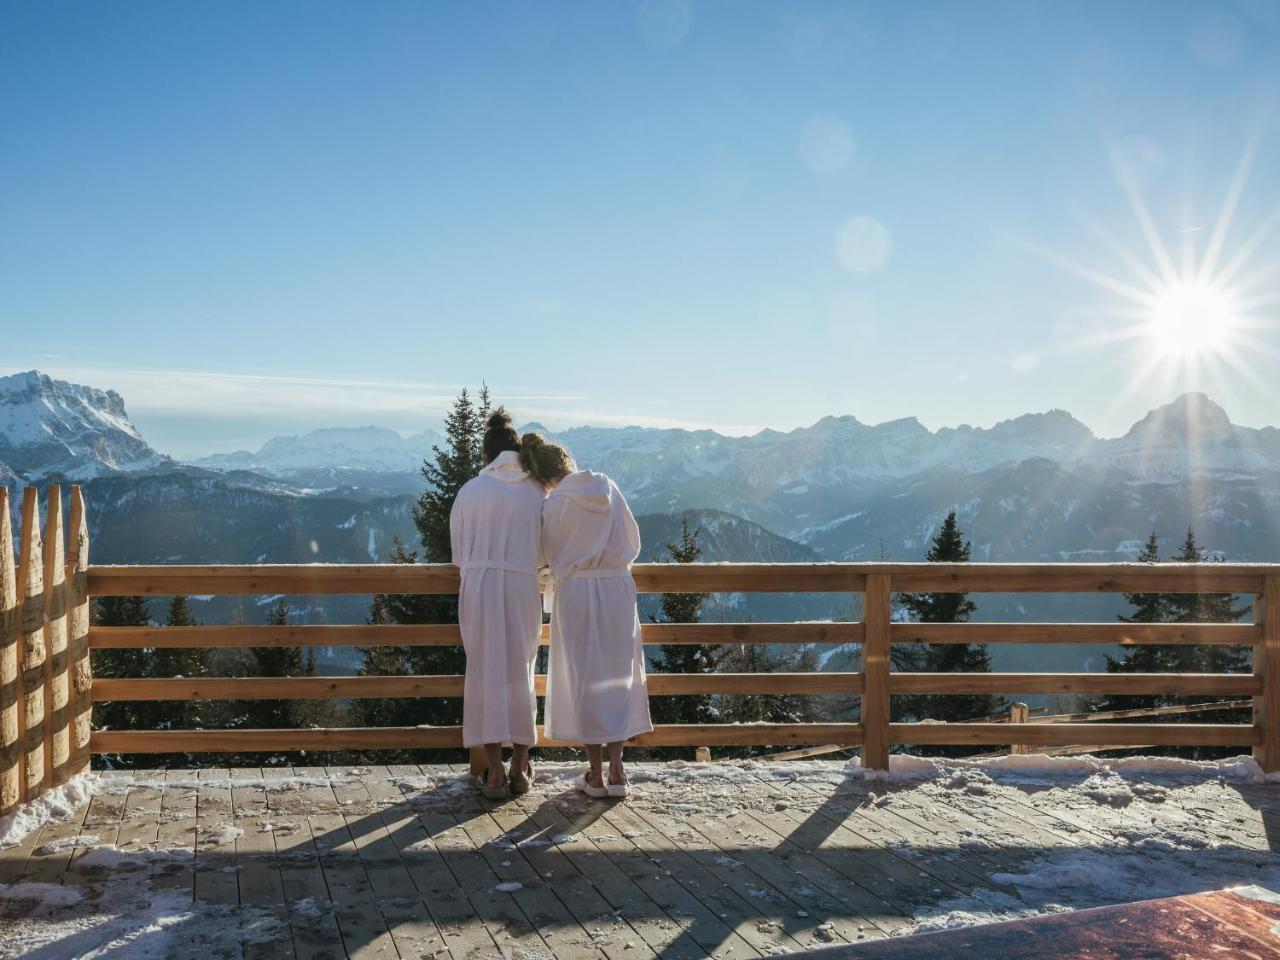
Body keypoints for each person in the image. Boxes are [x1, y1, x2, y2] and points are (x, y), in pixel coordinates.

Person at [520, 433, 653, 798]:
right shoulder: (607, 487)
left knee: (585, 674)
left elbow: (543, 555)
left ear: (545, 478)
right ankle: (618, 771)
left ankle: (595, 774)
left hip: (577, 592)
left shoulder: (554, 506)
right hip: (617, 590)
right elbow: (633, 539)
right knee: (616, 674)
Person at [450, 409, 546, 800]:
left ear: (487, 454)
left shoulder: (471, 491)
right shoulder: (537, 491)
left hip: (480, 584)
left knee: (485, 672)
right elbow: (547, 549)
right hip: (522, 583)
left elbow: (458, 553)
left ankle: (493, 771)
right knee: (521, 668)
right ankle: (521, 767)